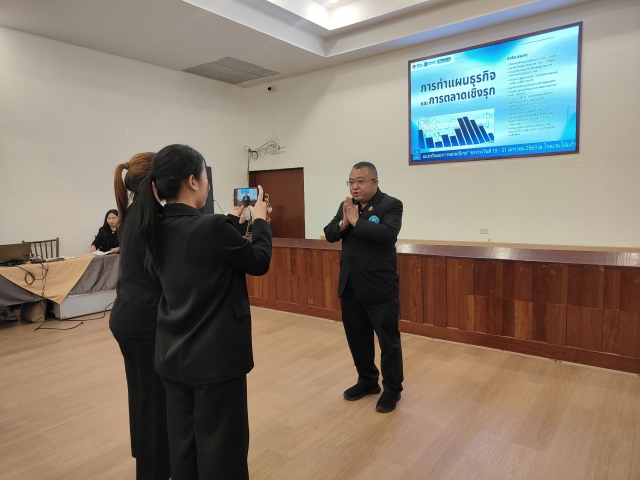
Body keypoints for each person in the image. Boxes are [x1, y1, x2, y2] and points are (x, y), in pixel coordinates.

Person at [138, 144, 272, 480]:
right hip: (215, 358)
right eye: (205, 176)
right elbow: (258, 261)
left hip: (172, 354)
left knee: (184, 447)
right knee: (222, 450)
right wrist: (260, 221)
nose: (207, 183)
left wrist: (232, 221)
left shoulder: (154, 226)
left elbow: (203, 251)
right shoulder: (211, 228)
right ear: (193, 181)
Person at [109, 152, 171, 480]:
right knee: (152, 405)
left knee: (144, 398)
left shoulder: (131, 214)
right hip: (144, 322)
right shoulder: (154, 217)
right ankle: (152, 470)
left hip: (128, 317)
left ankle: (152, 465)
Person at [324, 161, 404, 413]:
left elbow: (387, 236)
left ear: (375, 183)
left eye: (360, 181)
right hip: (350, 285)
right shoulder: (347, 205)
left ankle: (392, 389)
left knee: (388, 342)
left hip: (379, 287)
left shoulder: (391, 205)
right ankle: (368, 380)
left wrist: (357, 221)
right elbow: (330, 233)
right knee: (357, 339)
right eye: (351, 182)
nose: (354, 187)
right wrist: (344, 223)